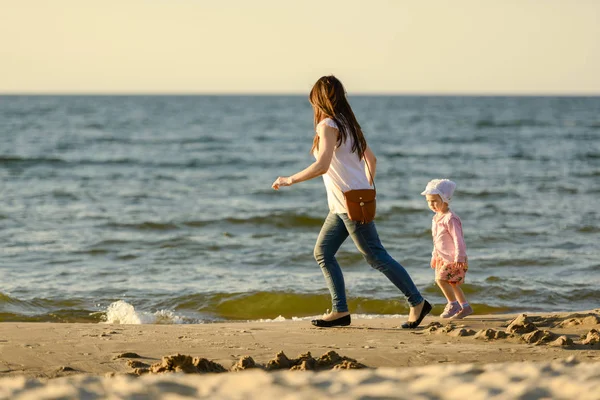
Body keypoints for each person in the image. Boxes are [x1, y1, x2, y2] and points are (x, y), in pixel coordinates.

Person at [272, 75, 431, 329]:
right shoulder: (349, 125)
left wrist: (289, 179)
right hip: (344, 204)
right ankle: (340, 311)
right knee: (323, 252)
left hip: (347, 205)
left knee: (376, 256)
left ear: (320, 99)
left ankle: (417, 302)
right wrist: (365, 187)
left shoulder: (327, 125)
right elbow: (372, 160)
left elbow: (322, 165)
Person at [421, 179, 473, 319]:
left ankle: (453, 304)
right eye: (428, 201)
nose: (431, 204)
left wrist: (459, 257)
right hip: (442, 258)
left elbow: (458, 239)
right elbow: (437, 240)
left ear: (445, 199)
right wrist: (434, 255)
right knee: (453, 283)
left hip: (453, 258)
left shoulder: (450, 219)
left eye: (434, 201)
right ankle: (465, 307)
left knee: (440, 280)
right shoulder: (436, 218)